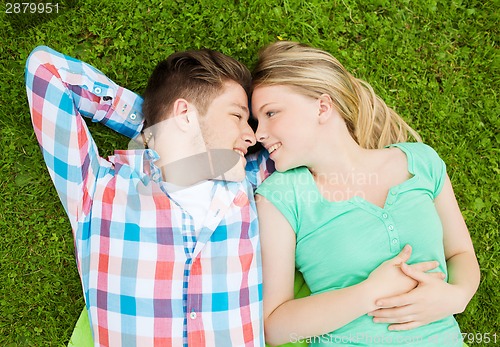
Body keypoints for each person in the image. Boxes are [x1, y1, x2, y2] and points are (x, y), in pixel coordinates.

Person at [25, 45, 272, 346]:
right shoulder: (97, 189)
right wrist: (154, 130)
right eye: (237, 116)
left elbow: (311, 137)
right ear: (184, 113)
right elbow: (45, 69)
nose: (252, 136)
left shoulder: (250, 180)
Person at [251, 41, 480, 346]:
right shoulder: (279, 197)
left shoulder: (421, 163)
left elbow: (460, 253)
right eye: (256, 121)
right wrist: (367, 294)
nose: (258, 134)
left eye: (271, 113)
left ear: (322, 107)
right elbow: (275, 327)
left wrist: (457, 296)